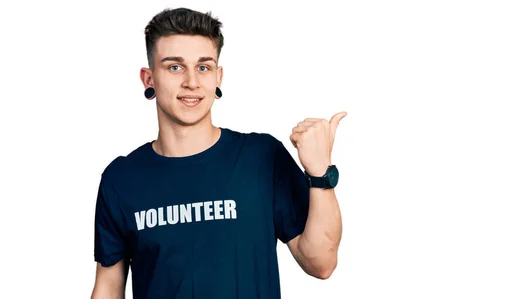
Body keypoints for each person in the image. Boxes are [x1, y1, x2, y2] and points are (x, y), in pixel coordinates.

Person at [91, 7, 346, 299]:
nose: (192, 82)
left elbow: (321, 263)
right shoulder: (121, 179)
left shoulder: (261, 157)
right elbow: (108, 287)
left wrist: (320, 174)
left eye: (203, 67)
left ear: (218, 76)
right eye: (175, 67)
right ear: (148, 79)